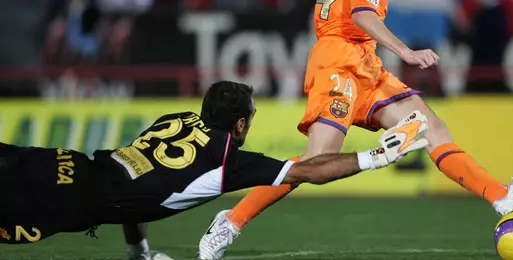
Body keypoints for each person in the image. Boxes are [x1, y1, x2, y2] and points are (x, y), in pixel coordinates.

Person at [198, 0, 513, 260]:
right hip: (338, 60)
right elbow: (363, 14)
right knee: (315, 163)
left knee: (431, 127)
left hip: (362, 61)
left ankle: (502, 197)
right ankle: (231, 220)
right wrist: (407, 52)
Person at [0, 81, 428, 260]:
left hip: (62, 162)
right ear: (240, 124)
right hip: (63, 200)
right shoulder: (230, 162)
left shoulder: (176, 118)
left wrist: (139, 254)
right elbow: (310, 171)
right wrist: (379, 156)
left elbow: (135, 191)